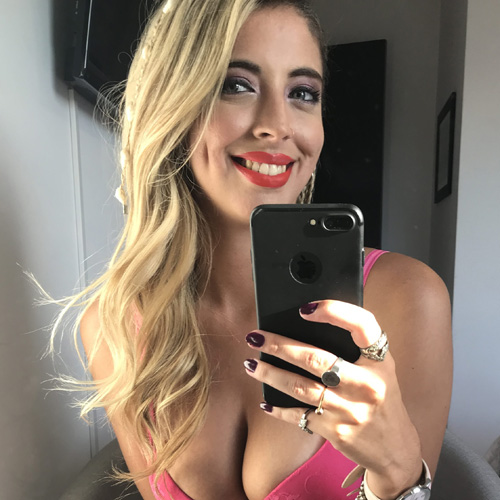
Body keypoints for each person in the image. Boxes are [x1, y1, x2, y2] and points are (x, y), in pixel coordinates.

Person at [73, 0, 453, 498]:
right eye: (237, 85)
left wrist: (399, 473)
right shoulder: (113, 328)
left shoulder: (408, 300)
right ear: (174, 107)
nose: (278, 124)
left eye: (303, 93)